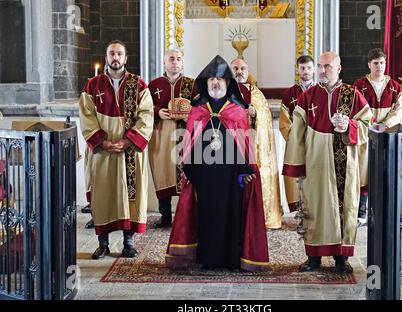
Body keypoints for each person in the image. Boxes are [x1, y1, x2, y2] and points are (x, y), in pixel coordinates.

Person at [165, 55, 269, 271]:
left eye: (220, 79)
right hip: (204, 176)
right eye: (211, 79)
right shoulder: (197, 110)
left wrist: (244, 171)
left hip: (231, 178)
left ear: (227, 83)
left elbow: (244, 144)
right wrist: (189, 169)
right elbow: (189, 143)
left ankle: (231, 258)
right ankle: (206, 257)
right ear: (205, 82)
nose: (215, 83)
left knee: (230, 215)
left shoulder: (238, 111)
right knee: (205, 215)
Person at [283, 52, 372, 273]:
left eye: (328, 66)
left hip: (346, 165)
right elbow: (297, 132)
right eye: (320, 66)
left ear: (339, 68)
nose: (323, 70)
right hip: (315, 163)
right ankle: (313, 257)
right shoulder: (308, 96)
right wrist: (297, 164)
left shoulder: (352, 96)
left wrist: (349, 127)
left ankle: (341, 258)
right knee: (315, 208)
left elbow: (367, 125)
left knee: (345, 210)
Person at [79, 40, 154, 260]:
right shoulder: (92, 86)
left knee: (130, 195)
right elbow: (86, 117)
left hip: (129, 152)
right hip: (102, 152)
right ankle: (103, 244)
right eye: (112, 53)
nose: (115, 57)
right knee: (103, 195)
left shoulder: (139, 85)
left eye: (119, 53)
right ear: (106, 57)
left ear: (125, 58)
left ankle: (128, 243)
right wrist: (101, 141)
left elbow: (147, 116)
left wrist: (129, 141)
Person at [353, 48, 402, 227]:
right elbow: (355, 107)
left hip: (387, 136)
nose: (379, 66)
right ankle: (361, 212)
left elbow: (398, 110)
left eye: (382, 62)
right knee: (363, 173)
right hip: (365, 135)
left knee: (385, 172)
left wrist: (386, 125)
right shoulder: (359, 85)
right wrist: (371, 124)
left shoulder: (395, 87)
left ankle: (383, 212)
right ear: (369, 65)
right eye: (375, 63)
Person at [230, 58, 283, 229]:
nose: (239, 71)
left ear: (248, 71)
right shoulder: (224, 90)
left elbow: (265, 115)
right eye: (236, 68)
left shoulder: (256, 93)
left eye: (242, 68)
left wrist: (255, 114)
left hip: (252, 143)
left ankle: (256, 216)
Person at [148, 49, 196, 228]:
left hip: (185, 135)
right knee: (163, 174)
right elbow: (143, 108)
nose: (175, 62)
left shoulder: (192, 85)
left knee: (187, 175)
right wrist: (157, 111)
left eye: (178, 59)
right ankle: (165, 215)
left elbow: (201, 108)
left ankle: (186, 217)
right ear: (164, 62)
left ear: (182, 62)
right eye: (171, 59)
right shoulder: (153, 85)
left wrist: (189, 116)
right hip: (161, 134)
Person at [280, 55, 316, 213]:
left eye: (309, 68)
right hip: (296, 143)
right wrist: (295, 140)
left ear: (314, 69)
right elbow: (284, 122)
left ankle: (315, 209)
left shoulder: (320, 91)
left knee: (315, 174)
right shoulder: (289, 94)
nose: (306, 71)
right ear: (297, 70)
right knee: (297, 175)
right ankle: (298, 210)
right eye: (302, 68)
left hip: (317, 142)